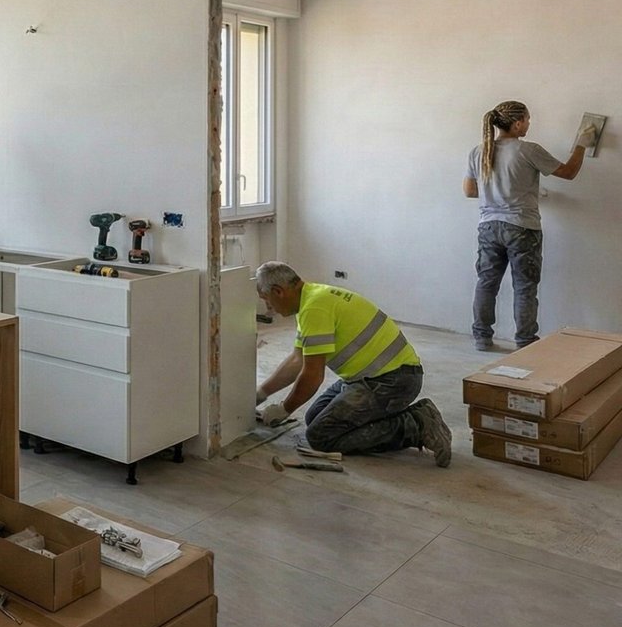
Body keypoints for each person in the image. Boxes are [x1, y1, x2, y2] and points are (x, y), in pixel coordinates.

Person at [253, 261, 453, 466]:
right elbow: (298, 360)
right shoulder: (313, 297)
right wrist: (261, 393)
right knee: (314, 417)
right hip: (375, 376)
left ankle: (418, 424)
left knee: (321, 436)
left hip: (392, 382)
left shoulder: (314, 308)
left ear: (278, 291)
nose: (269, 309)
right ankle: (391, 417)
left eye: (266, 300)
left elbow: (313, 376)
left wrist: (285, 409)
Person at [464, 101, 596, 351]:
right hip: (522, 228)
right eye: (527, 119)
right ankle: (525, 342)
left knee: (486, 283)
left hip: (488, 227)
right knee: (524, 287)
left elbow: (470, 191)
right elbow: (568, 172)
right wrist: (582, 143)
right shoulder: (528, 150)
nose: (528, 124)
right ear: (517, 124)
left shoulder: (478, 151)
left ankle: (482, 338)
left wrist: (501, 193)